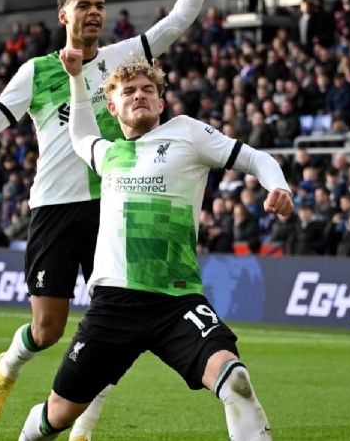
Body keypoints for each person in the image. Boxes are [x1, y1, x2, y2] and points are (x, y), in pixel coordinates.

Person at [0, 0, 226, 437]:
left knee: (109, 321)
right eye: (84, 6)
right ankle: (10, 365)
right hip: (54, 206)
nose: (94, 13)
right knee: (48, 331)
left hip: (117, 203)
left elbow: (179, 20)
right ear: (64, 15)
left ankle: (84, 425)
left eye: (100, 6)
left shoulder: (121, 60)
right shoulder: (36, 72)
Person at [16, 49, 291, 441]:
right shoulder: (108, 153)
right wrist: (76, 77)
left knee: (236, 381)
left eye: (147, 89)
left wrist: (277, 185)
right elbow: (79, 134)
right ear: (112, 107)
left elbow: (255, 158)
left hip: (176, 301)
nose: (139, 95)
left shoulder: (188, 133)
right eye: (128, 91)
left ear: (161, 102)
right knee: (57, 414)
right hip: (113, 305)